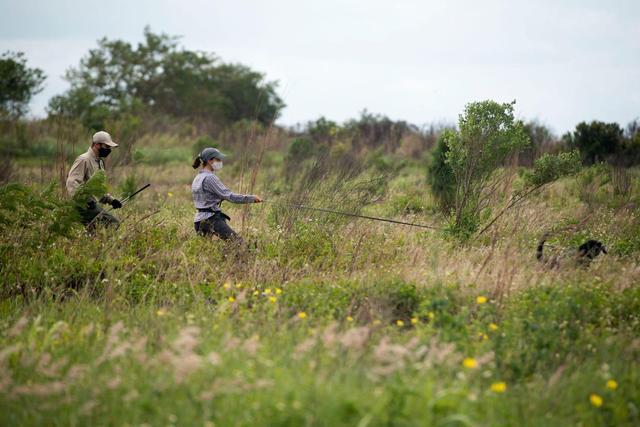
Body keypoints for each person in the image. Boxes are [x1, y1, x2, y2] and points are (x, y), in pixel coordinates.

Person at [191, 147, 262, 243]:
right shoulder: (210, 178)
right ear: (209, 161)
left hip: (198, 221)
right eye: (218, 159)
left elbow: (207, 198)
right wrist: (251, 198)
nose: (220, 162)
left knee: (204, 250)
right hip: (211, 219)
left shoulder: (198, 177)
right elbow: (230, 197)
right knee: (239, 245)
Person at [66, 131, 122, 227]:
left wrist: (111, 200)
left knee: (94, 233)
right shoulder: (84, 159)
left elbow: (97, 189)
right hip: (82, 205)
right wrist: (84, 200)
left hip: (91, 204)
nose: (109, 150)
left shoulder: (99, 162)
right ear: (97, 145)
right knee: (113, 224)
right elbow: (72, 182)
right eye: (107, 147)